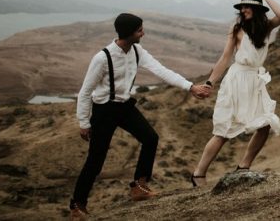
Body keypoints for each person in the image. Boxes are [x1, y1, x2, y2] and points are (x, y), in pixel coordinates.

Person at [69, 13, 211, 220]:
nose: (143, 33)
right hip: (104, 111)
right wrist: (83, 122)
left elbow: (161, 70)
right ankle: (77, 206)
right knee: (95, 161)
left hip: (125, 107)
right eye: (139, 30)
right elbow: (85, 91)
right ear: (128, 33)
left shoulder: (137, 51)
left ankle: (139, 186)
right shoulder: (102, 58)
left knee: (150, 138)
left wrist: (190, 87)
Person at [191, 0, 280, 186]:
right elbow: (225, 57)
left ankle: (244, 166)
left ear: (257, 9)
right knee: (224, 129)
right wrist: (210, 82)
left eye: (247, 6)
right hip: (236, 80)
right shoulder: (237, 29)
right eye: (241, 7)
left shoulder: (266, 27)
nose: (243, 10)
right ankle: (198, 174)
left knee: (265, 125)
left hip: (255, 81)